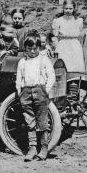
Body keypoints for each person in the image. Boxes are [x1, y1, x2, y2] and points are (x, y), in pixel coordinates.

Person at [16, 30, 56, 161]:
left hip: (40, 91)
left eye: (35, 48)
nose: (32, 51)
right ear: (25, 49)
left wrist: (46, 90)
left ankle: (44, 148)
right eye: (29, 49)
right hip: (26, 92)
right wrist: (19, 91)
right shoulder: (22, 62)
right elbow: (19, 78)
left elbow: (51, 77)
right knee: (29, 122)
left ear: (39, 47)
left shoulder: (43, 60)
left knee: (42, 121)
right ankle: (32, 148)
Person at [51, 0, 85, 72]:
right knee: (65, 64)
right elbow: (55, 36)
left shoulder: (79, 20)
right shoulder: (58, 21)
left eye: (70, 8)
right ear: (63, 8)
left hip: (75, 45)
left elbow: (80, 35)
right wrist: (56, 47)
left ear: (73, 9)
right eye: (66, 8)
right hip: (63, 45)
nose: (68, 10)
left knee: (75, 64)